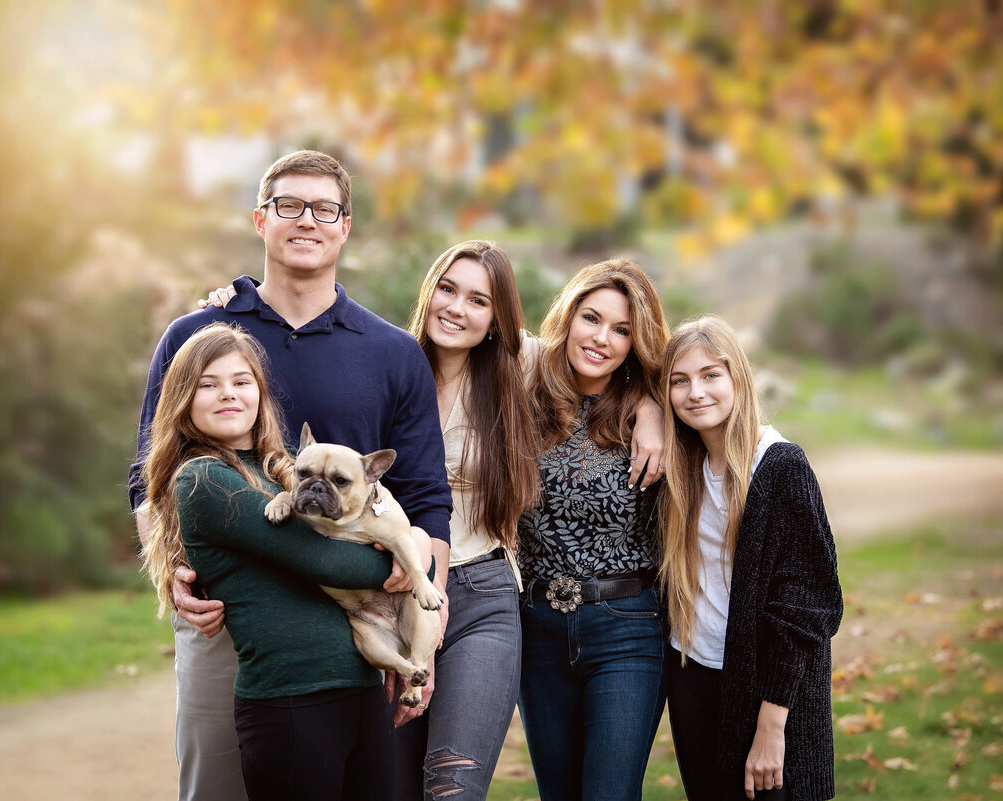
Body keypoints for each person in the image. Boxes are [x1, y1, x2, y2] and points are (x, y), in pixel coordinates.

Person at [201, 242, 667, 800]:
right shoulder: (381, 359)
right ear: (428, 292)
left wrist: (652, 407)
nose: (457, 308)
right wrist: (235, 302)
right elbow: (288, 426)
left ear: (498, 318)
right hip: (384, 587)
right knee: (388, 784)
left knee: (454, 787)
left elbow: (609, 358)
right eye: (447, 289)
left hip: (483, 593)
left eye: (479, 300)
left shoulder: (519, 367)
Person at [127, 150, 452, 801]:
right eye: (288, 205)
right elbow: (148, 476)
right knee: (217, 784)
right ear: (260, 219)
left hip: (354, 629)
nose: (306, 219)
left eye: (324, 208)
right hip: (232, 614)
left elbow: (425, 498)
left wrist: (424, 636)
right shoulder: (198, 334)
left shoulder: (393, 352)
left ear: (345, 226)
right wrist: (176, 574)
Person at [142, 323, 429, 800]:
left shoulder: (287, 464)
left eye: (241, 381)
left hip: (357, 682)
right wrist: (408, 561)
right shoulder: (204, 478)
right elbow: (331, 563)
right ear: (182, 399)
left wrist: (411, 541)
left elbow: (370, 514)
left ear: (260, 392)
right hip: (290, 699)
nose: (227, 394)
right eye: (207, 385)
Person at [658, 315, 843, 801]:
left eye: (710, 375)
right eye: (679, 381)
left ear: (738, 378)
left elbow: (808, 607)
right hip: (693, 673)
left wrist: (771, 726)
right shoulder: (683, 468)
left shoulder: (780, 466)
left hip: (767, 694)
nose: (695, 392)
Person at [516, 258, 670, 801]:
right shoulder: (522, 393)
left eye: (622, 329)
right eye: (591, 318)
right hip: (535, 629)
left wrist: (651, 407)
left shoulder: (651, 413)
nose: (602, 338)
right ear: (567, 317)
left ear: (636, 342)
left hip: (625, 627)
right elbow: (458, 329)